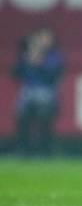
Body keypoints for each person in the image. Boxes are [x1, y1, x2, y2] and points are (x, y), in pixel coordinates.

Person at [13, 27, 65, 156]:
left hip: (47, 93)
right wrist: (28, 58)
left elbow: (52, 75)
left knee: (44, 117)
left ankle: (46, 148)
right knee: (21, 114)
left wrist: (38, 61)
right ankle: (23, 148)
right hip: (29, 93)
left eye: (47, 38)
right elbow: (16, 72)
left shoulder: (54, 56)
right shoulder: (28, 55)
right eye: (41, 38)